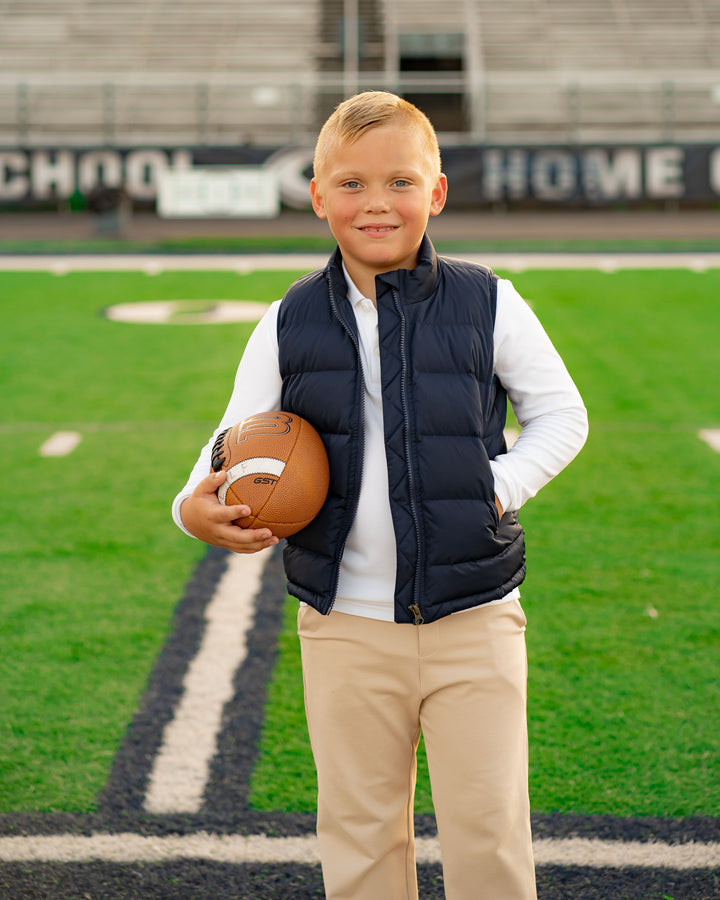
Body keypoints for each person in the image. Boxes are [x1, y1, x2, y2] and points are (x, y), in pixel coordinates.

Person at [172, 91, 588, 900]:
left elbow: (561, 416)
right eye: (352, 184)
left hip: (475, 615)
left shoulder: (486, 299)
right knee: (359, 837)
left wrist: (496, 489)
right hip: (344, 626)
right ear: (318, 194)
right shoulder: (290, 317)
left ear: (434, 192)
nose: (377, 204)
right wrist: (192, 504)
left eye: (400, 182)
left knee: (489, 833)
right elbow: (230, 441)